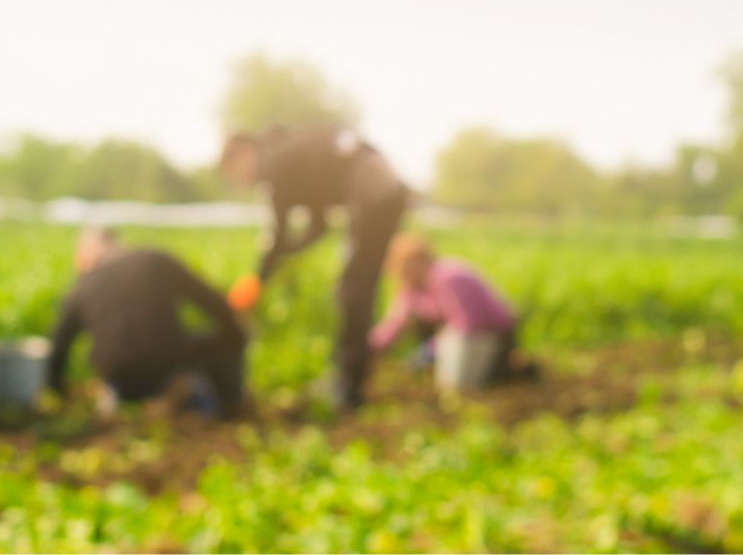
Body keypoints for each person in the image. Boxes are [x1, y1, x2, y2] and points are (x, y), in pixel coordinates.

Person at [219, 124, 410, 411]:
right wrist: (283, 256)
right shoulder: (288, 153)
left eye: (235, 174)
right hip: (384, 190)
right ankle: (350, 381)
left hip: (372, 192)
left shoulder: (272, 163)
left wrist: (257, 280)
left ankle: (349, 390)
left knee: (354, 290)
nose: (242, 182)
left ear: (244, 153)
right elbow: (319, 227)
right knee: (357, 288)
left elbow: (279, 234)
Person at [46, 228, 248, 418]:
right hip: (167, 367)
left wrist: (57, 391)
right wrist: (235, 332)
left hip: (117, 376)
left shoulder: (83, 284)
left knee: (114, 372)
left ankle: (118, 401)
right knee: (229, 338)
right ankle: (227, 407)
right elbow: (211, 301)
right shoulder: (154, 260)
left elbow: (58, 347)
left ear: (84, 256)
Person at [368, 233, 523, 390]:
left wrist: (431, 350)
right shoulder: (412, 287)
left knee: (458, 386)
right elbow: (394, 323)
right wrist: (368, 347)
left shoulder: (448, 277)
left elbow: (467, 324)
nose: (396, 274)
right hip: (454, 333)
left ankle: (496, 373)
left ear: (414, 262)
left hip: (489, 335)